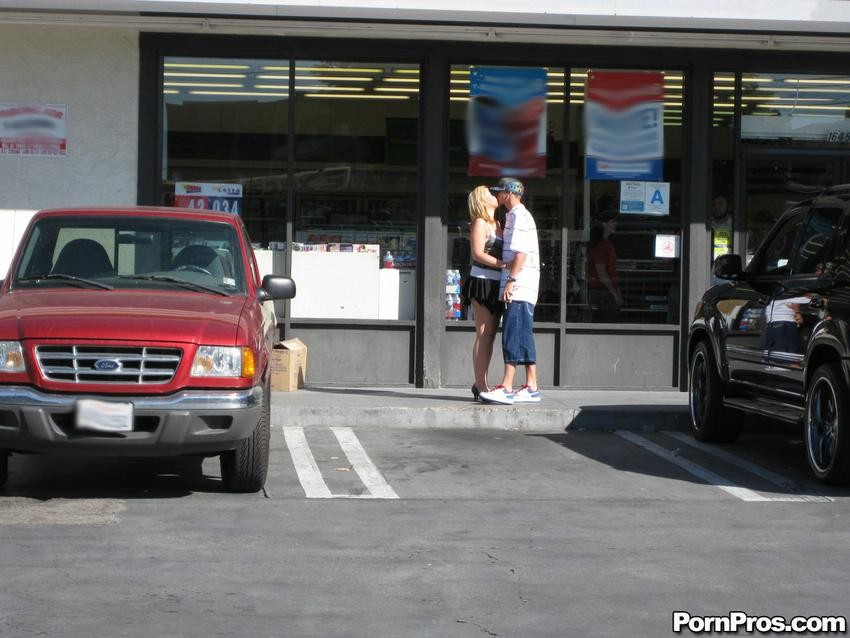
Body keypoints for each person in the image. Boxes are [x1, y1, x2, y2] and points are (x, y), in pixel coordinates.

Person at [479, 177, 541, 405]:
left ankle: (506, 387)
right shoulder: (518, 215)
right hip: (524, 283)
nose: (497, 196)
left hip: (520, 283)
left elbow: (520, 254)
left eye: (499, 192)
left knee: (512, 333)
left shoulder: (517, 216)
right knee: (523, 333)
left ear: (508, 194)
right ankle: (532, 386)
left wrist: (511, 281)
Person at [460, 185, 507, 401]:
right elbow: (477, 253)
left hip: (497, 282)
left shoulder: (497, 223)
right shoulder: (480, 222)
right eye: (489, 193)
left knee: (490, 336)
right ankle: (480, 384)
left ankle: (482, 383)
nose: (494, 196)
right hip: (481, 281)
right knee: (484, 334)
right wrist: (505, 264)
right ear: (481, 199)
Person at [586, 211, 622, 323]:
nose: (616, 224)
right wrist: (614, 292)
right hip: (602, 292)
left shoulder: (604, 244)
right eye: (612, 221)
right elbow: (601, 272)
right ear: (604, 224)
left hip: (603, 290)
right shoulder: (602, 245)